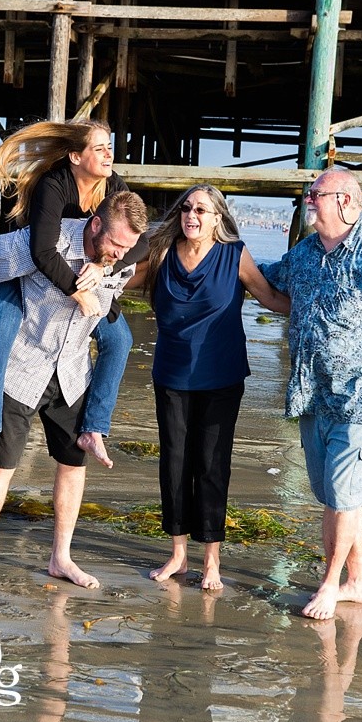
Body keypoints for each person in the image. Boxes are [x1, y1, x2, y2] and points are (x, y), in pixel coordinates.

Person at [0, 191, 149, 603]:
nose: (120, 254)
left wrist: (107, 272)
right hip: (22, 366)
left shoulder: (121, 256)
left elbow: (110, 300)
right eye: (116, 244)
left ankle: (60, 557)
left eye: (127, 247)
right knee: (0, 466)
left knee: (72, 464)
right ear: (95, 225)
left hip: (72, 371)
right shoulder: (43, 243)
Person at [260, 165, 362, 620]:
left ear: (347, 203)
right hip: (313, 397)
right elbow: (276, 291)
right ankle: (360, 581)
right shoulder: (305, 253)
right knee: (336, 496)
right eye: (310, 193)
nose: (309, 200)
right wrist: (226, 257)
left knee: (342, 497)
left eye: (318, 193)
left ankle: (330, 585)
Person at [127, 185, 290, 590]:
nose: (191, 215)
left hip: (222, 376)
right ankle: (179, 554)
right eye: (186, 208)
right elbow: (121, 280)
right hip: (172, 375)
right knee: (175, 463)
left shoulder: (234, 255)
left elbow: (269, 297)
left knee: (212, 465)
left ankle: (212, 559)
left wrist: (325, 310)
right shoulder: (162, 253)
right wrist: (81, 279)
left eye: (201, 209)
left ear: (218, 217)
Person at [0, 118, 148, 470]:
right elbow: (42, 252)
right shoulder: (54, 184)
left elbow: (140, 241)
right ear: (75, 157)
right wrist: (77, 294)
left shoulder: (113, 185)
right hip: (21, 271)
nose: (109, 154)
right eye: (99, 148)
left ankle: (95, 427)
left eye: (109, 146)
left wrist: (104, 268)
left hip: (81, 273)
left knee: (120, 340)